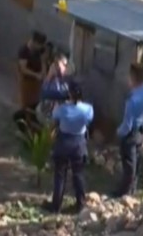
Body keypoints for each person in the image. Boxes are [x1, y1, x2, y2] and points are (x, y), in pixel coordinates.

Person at [43, 80, 94, 214]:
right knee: (78, 174)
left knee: (60, 176)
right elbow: (88, 121)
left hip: (63, 142)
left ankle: (56, 206)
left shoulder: (62, 109)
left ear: (69, 94)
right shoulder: (88, 109)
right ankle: (80, 205)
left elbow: (54, 121)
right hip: (79, 143)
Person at [112, 63, 143, 197]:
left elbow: (127, 126)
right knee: (136, 160)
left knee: (129, 165)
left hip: (131, 134)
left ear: (132, 77)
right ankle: (133, 188)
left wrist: (117, 132)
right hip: (142, 129)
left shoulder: (131, 100)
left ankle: (124, 193)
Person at [36, 52, 71, 125]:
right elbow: (45, 94)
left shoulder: (67, 79)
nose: (62, 68)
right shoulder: (50, 82)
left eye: (65, 65)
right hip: (48, 113)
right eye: (57, 65)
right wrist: (50, 75)